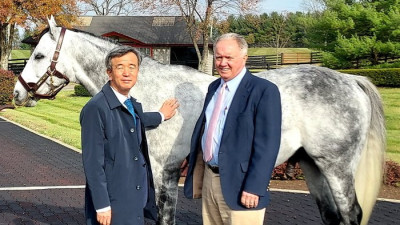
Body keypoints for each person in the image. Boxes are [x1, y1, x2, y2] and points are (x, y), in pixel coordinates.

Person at [182, 33, 282, 225]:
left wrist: (255, 187)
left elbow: (268, 144)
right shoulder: (214, 88)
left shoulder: (263, 91)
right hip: (210, 180)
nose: (222, 63)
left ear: (244, 58)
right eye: (219, 57)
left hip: (241, 184)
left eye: (229, 57)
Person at [80, 45, 179, 225]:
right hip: (113, 201)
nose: (127, 73)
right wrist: (102, 205)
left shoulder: (131, 104)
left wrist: (161, 115)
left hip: (135, 196)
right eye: (120, 67)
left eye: (132, 67)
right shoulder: (95, 109)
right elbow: (93, 163)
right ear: (109, 73)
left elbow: (137, 121)